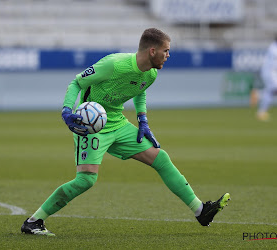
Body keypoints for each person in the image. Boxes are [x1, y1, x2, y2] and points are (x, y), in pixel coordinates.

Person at [21, 28, 230, 236]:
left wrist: (143, 120)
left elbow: (140, 89)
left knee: (161, 158)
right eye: (165, 50)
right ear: (152, 50)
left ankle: (200, 210)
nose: (168, 55)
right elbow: (77, 82)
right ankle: (34, 221)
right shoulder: (114, 64)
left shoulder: (152, 73)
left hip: (118, 123)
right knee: (86, 180)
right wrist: (67, 110)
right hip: (91, 126)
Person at [254, 35, 277, 121]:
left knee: (272, 91)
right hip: (270, 72)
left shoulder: (273, 47)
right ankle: (261, 110)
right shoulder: (274, 48)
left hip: (273, 72)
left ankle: (258, 95)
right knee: (273, 89)